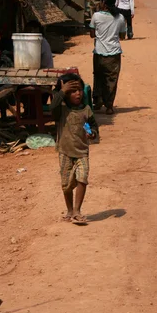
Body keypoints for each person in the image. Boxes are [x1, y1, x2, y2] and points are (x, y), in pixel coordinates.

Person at [50, 73, 98, 224]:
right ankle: (70, 210)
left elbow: (92, 126)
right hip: (65, 152)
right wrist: (62, 92)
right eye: (72, 90)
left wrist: (92, 133)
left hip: (82, 152)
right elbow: (52, 108)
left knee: (82, 179)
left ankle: (77, 210)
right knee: (66, 185)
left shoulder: (86, 110)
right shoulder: (61, 110)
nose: (77, 93)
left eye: (79, 90)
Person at [89, 0, 125, 114]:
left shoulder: (96, 16)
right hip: (114, 54)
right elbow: (122, 36)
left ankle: (98, 102)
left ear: (104, 3)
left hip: (99, 53)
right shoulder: (120, 17)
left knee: (98, 76)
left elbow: (92, 34)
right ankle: (109, 106)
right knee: (112, 79)